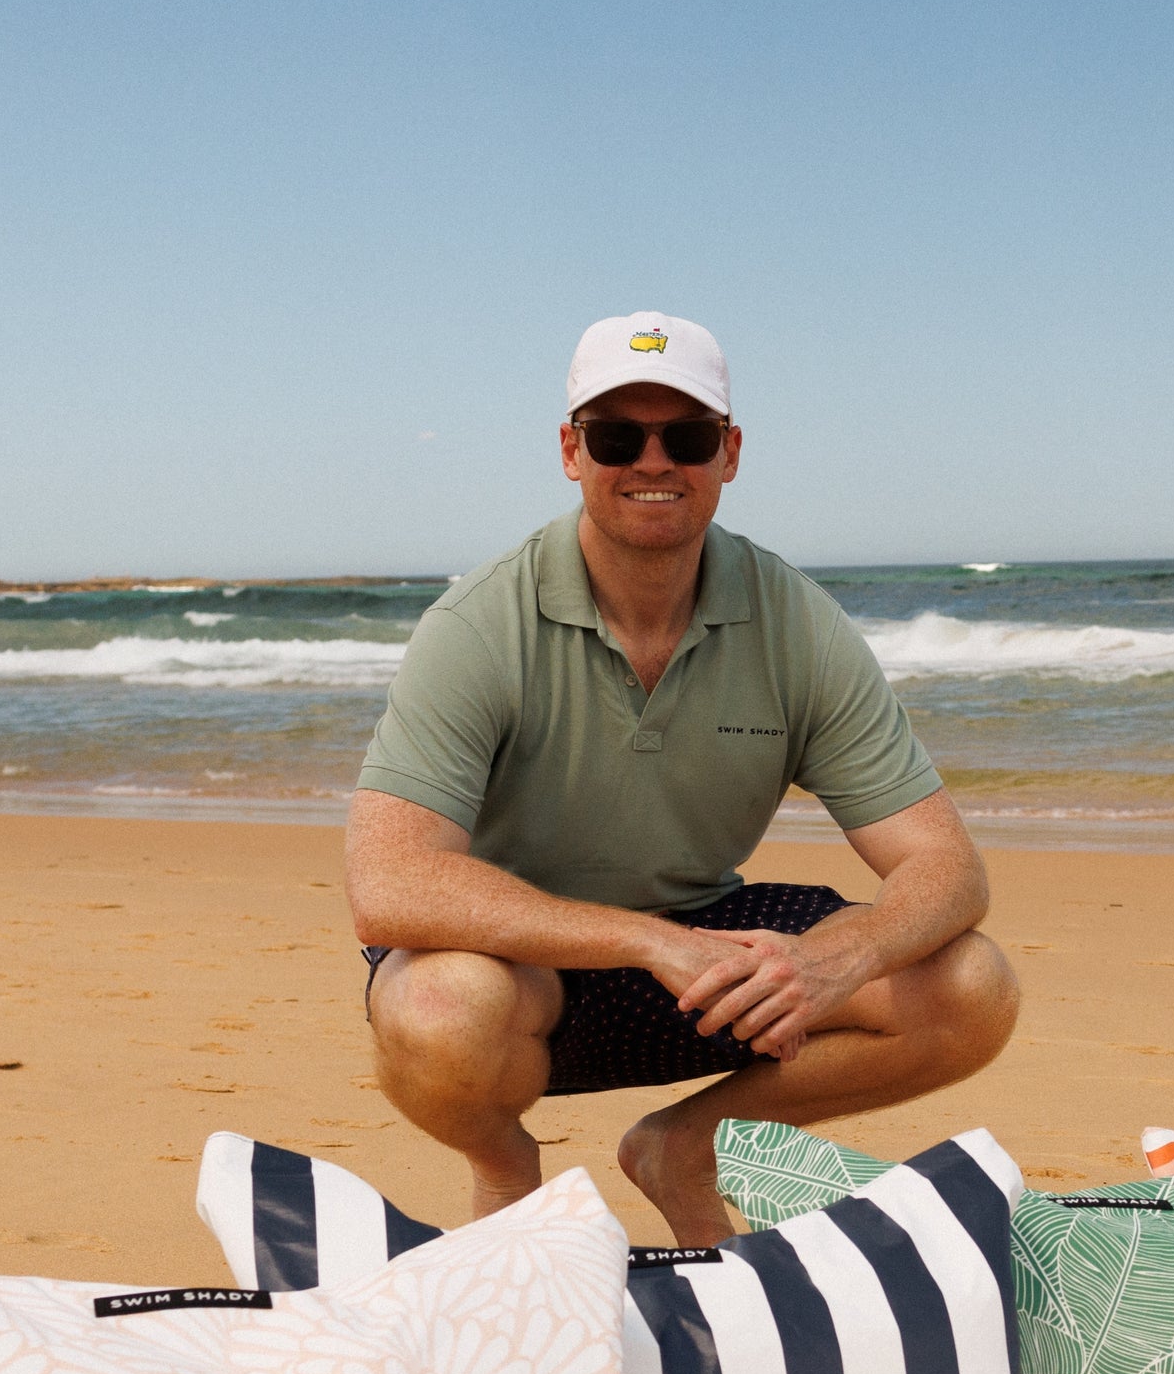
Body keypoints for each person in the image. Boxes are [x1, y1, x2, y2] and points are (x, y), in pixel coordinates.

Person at [344, 311, 1019, 1243]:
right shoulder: (479, 624)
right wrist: (646, 942)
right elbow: (388, 884)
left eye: (688, 436)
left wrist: (840, 958)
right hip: (519, 973)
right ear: (573, 451)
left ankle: (686, 1149)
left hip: (703, 955)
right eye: (618, 436)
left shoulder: (797, 623)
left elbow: (948, 867)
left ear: (729, 452)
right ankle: (504, 1167)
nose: (653, 462)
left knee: (970, 984)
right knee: (437, 1006)